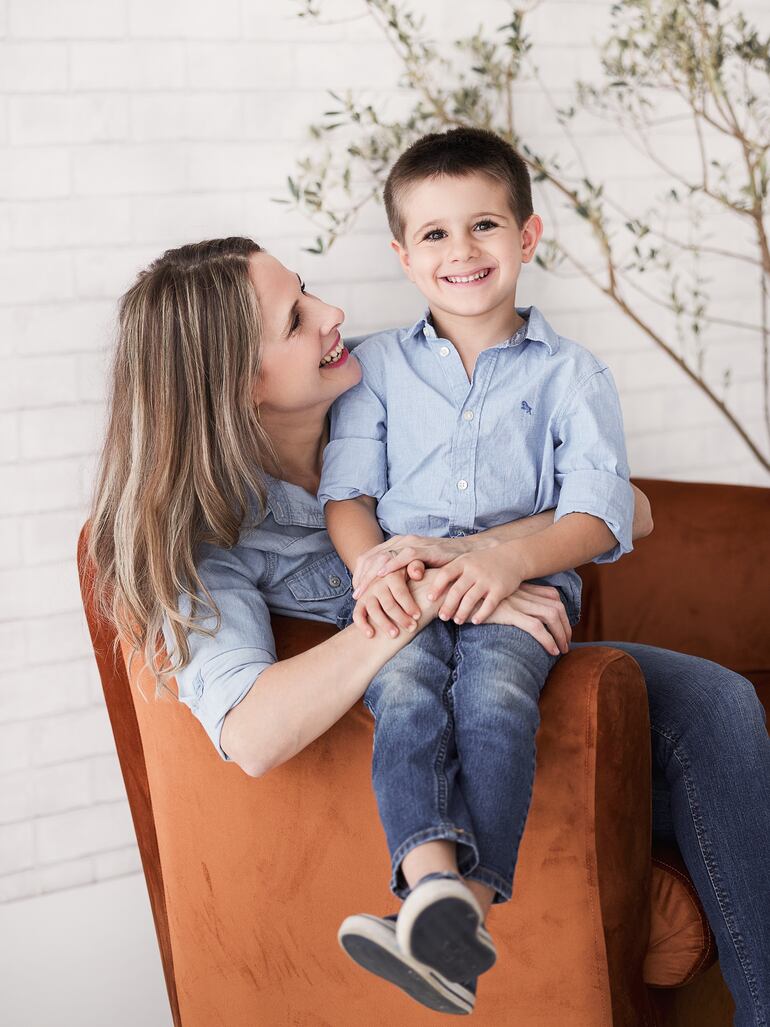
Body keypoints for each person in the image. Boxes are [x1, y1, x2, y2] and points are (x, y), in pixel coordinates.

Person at [88, 237, 770, 1024]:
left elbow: (632, 509)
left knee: (716, 704)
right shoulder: (208, 545)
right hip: (431, 714)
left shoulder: (392, 371)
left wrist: (483, 559)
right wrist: (426, 596)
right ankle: (446, 896)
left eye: (310, 291)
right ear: (242, 385)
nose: (335, 314)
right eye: (297, 318)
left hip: (513, 652)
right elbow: (252, 732)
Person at [318, 127, 636, 1008]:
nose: (462, 251)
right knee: (407, 692)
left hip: (523, 590)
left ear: (528, 237)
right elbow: (347, 496)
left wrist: (507, 563)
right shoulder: (374, 368)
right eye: (434, 234)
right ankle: (432, 893)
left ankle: (464, 910)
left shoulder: (574, 374)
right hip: (407, 588)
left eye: (486, 225)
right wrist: (372, 570)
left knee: (494, 701)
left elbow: (601, 512)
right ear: (403, 255)